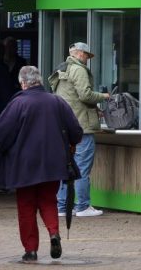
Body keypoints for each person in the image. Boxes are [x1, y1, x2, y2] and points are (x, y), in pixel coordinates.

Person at [0, 65, 82, 262]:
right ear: (39, 81)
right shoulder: (57, 101)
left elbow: (1, 134)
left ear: (23, 83)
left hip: (23, 166)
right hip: (53, 164)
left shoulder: (17, 104)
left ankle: (31, 250)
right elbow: (76, 131)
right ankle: (53, 233)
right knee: (48, 201)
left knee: (26, 206)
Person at [48, 42, 110, 218]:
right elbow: (85, 95)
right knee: (82, 167)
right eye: (87, 56)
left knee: (64, 166)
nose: (88, 59)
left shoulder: (63, 69)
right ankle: (82, 206)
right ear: (80, 53)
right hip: (81, 126)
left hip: (64, 126)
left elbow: (69, 96)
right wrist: (103, 96)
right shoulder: (79, 69)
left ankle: (61, 206)